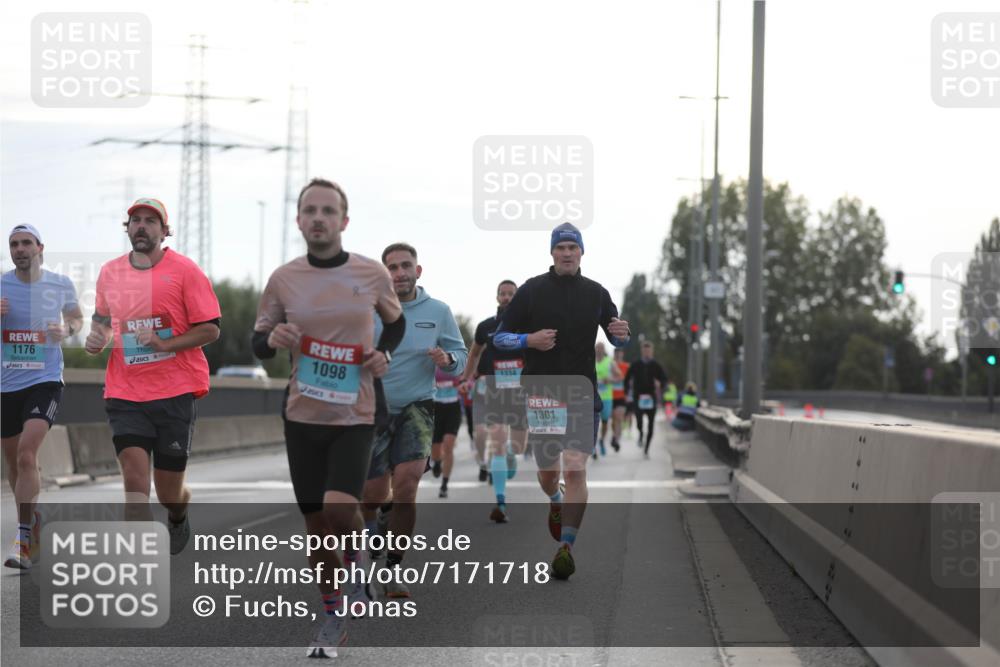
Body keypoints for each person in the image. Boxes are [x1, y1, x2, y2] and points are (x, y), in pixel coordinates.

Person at [252, 178, 405, 658]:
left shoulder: (370, 273)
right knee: (317, 530)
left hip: (355, 412)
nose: (319, 218)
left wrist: (383, 352)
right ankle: (331, 615)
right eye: (310, 211)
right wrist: (273, 341)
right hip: (302, 414)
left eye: (328, 211)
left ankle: (359, 567)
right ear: (299, 221)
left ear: (344, 220)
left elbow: (395, 322)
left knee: (341, 510)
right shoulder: (282, 279)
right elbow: (258, 342)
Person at [493, 222, 629, 580]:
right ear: (552, 253)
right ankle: (555, 499)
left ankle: (565, 547)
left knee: (575, 467)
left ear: (581, 252)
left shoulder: (597, 293)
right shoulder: (532, 291)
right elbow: (500, 338)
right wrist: (529, 341)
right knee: (549, 470)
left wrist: (622, 336)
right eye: (561, 248)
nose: (567, 253)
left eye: (573, 247)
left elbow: (617, 337)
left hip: (583, 392)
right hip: (542, 392)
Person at [84, 198, 220, 555]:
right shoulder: (110, 272)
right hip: (125, 393)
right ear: (127, 229)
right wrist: (96, 339)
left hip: (175, 391)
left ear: (164, 230)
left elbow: (210, 330)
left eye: (150, 221)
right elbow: (102, 323)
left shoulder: (185, 271)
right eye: (135, 221)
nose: (141, 226)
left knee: (168, 493)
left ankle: (178, 515)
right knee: (134, 485)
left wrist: (166, 344)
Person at [362, 242, 467, 599]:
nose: (400, 272)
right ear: (384, 274)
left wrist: (448, 359)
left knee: (406, 486)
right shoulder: (370, 310)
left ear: (417, 271)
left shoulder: (438, 311)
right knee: (373, 495)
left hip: (418, 407)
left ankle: (392, 571)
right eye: (392, 267)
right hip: (373, 408)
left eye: (406, 265)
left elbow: (462, 355)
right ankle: (375, 522)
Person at [2, 224, 83, 569]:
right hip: (6, 383)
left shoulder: (59, 284)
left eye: (26, 243)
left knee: (25, 454)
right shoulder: (1, 286)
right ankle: (32, 522)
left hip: (45, 380)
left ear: (40, 248)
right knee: (15, 466)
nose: (20, 249)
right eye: (13, 244)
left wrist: (66, 330)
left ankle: (23, 539)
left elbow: (78, 319)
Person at [459, 279, 527, 522]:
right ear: (497, 297)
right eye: (503, 293)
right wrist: (466, 379)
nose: (507, 297)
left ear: (517, 297)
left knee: (516, 446)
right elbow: (474, 353)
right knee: (497, 440)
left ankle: (511, 453)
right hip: (494, 390)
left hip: (520, 391)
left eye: (511, 293)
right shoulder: (486, 326)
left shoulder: (528, 325)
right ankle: (500, 502)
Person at [624, 341, 668, 458]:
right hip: (638, 397)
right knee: (639, 421)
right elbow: (627, 379)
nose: (647, 352)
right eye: (645, 350)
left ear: (652, 351)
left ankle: (646, 448)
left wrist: (661, 385)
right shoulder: (636, 364)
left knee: (651, 425)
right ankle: (640, 433)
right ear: (642, 351)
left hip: (651, 397)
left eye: (649, 350)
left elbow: (664, 380)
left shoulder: (656, 365)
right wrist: (626, 392)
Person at [431, 367, 462, 498]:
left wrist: (465, 384)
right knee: (435, 448)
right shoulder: (432, 362)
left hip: (453, 407)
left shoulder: (457, 360)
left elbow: (469, 379)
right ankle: (437, 462)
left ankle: (444, 484)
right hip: (436, 408)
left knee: (449, 445)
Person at [593, 342, 621, 458]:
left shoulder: (610, 362)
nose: (599, 350)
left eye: (601, 348)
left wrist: (610, 380)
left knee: (605, 422)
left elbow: (620, 377)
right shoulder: (590, 361)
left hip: (607, 398)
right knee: (592, 423)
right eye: (597, 348)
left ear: (604, 350)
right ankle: (593, 447)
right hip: (593, 397)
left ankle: (601, 440)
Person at [610, 347, 630, 452]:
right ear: (614, 354)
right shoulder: (611, 365)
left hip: (622, 396)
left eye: (620, 353)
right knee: (613, 420)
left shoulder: (626, 366)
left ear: (622, 354)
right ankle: (614, 435)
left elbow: (630, 381)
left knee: (619, 418)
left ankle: (616, 440)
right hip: (610, 396)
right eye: (616, 353)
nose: (618, 355)